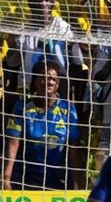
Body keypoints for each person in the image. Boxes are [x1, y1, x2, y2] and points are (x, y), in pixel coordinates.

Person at [3, 60, 82, 190]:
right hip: (27, 177)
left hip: (58, 179)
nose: (49, 82)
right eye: (44, 78)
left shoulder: (67, 108)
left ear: (58, 83)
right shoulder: (23, 106)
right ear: (35, 81)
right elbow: (13, 142)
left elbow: (74, 147)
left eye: (53, 79)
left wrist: (79, 183)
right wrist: (6, 179)